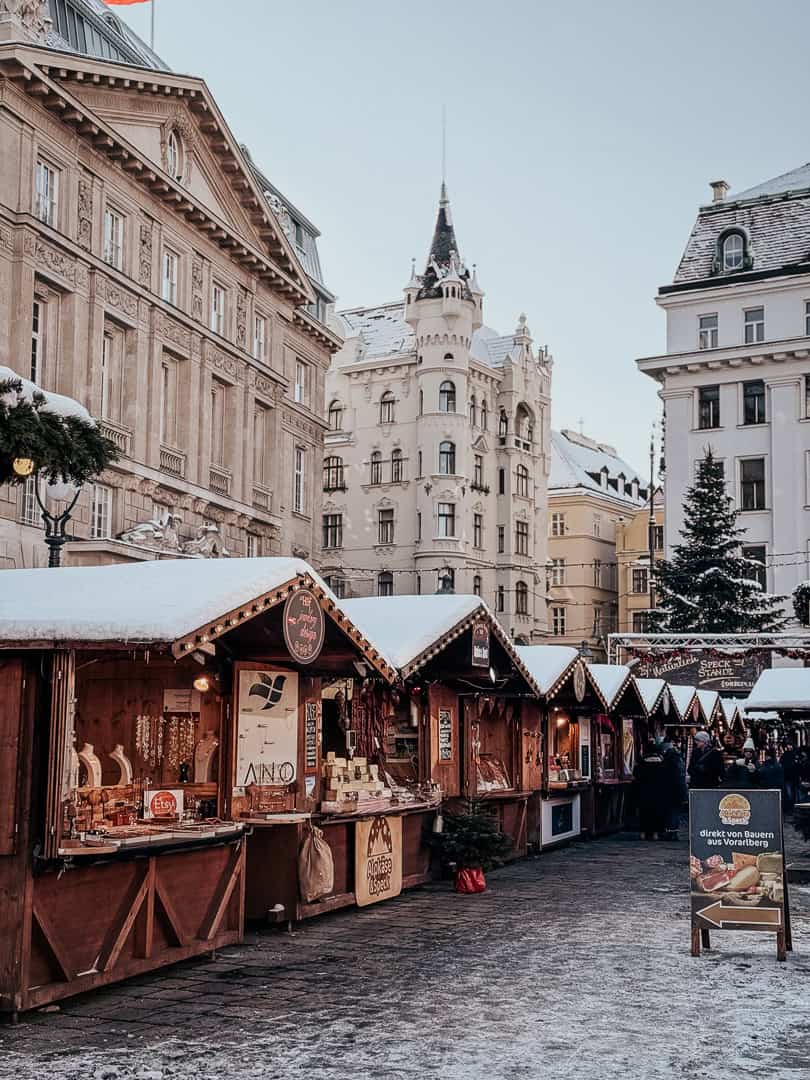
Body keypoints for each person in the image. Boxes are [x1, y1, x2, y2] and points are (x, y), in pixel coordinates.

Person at [634, 740, 668, 840]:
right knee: (657, 813)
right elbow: (666, 778)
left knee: (644, 813)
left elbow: (636, 775)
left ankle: (643, 833)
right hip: (658, 792)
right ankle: (655, 833)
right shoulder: (662, 763)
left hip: (644, 792)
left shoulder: (641, 762)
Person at [659, 736, 688, 840]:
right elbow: (680, 778)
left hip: (668, 790)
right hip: (675, 790)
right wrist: (684, 794)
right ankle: (672, 832)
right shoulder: (676, 759)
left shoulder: (665, 760)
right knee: (675, 812)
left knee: (670, 812)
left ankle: (669, 832)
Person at [781, 744, 798, 811]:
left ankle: (791, 806)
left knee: (790, 792)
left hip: (790, 777)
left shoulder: (787, 755)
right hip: (789, 777)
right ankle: (791, 806)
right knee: (791, 793)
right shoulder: (793, 755)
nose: (790, 747)